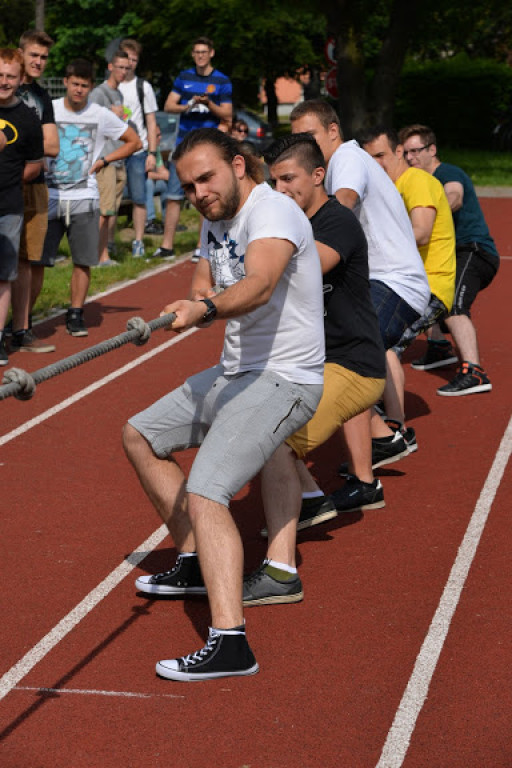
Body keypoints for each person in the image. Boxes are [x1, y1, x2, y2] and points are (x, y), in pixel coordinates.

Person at [123, 128, 324, 681]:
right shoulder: (216, 218)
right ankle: (193, 561)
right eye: (188, 186)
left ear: (238, 165)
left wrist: (205, 310)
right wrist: (178, 309)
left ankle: (231, 643)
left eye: (207, 177)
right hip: (236, 374)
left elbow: (258, 284)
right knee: (140, 434)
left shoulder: (273, 214)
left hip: (286, 379)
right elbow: (205, 278)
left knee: (209, 491)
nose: (199, 193)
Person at [239, 134, 387, 607]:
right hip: (308, 362)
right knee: (246, 417)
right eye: (273, 180)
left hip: (354, 364)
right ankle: (310, 499)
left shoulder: (335, 222)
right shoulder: (288, 218)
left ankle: (281, 571)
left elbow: (299, 270)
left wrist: (246, 264)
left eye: (289, 179)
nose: (279, 189)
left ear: (318, 177)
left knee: (272, 440)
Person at [289, 100, 430, 506]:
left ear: (333, 131)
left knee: (345, 364)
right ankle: (383, 441)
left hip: (394, 282)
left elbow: (345, 200)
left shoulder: (347, 158)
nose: (305, 144)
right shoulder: (331, 164)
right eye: (298, 138)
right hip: (379, 280)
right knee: (342, 360)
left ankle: (368, 479)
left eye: (310, 136)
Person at [360, 127, 456, 442]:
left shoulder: (417, 181)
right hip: (400, 283)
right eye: (369, 158)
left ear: (400, 151)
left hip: (428, 285)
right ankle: (383, 415)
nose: (376, 164)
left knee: (384, 342)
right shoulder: (388, 188)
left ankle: (395, 428)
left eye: (381, 155)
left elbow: (422, 232)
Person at [43, 59, 141, 336]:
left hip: (84, 197)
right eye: (74, 84)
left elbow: (135, 142)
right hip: (49, 195)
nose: (79, 90)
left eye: (84, 86)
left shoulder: (98, 114)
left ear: (90, 86)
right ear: (65, 82)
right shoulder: (49, 108)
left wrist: (105, 160)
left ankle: (75, 313)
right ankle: (24, 321)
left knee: (83, 260)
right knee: (35, 263)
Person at [400, 124, 499, 396]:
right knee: (425, 287)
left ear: (432, 150)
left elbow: (454, 195)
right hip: (451, 255)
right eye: (406, 153)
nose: (410, 158)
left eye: (416, 151)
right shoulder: (416, 182)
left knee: (454, 304)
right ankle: (439, 347)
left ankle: (475, 372)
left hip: (474, 251)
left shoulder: (447, 173)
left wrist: (436, 206)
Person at [159, 37, 232, 261]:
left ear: (211, 53)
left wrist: (209, 104)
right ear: (193, 55)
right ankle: (166, 245)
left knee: (204, 196)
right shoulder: (184, 77)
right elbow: (168, 106)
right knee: (173, 195)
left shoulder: (222, 81)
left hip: (206, 148)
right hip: (182, 144)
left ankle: (202, 245)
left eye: (204, 52)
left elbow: (227, 114)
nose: (200, 56)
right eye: (196, 52)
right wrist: (188, 105)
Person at [8, 30, 59, 355]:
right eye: (34, 55)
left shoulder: (42, 97)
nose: (39, 61)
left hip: (36, 187)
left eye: (44, 57)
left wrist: (18, 148)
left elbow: (52, 145)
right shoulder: (5, 87)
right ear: (20, 53)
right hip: (6, 185)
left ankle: (21, 329)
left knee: (28, 262)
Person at [0, 48, 44, 366]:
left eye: (10, 76)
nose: (3, 81)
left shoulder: (29, 118)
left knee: (4, 275)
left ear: (21, 78)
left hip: (8, 206)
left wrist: (12, 181)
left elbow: (35, 164)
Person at [90, 50, 131, 266]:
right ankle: (99, 256)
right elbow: (90, 120)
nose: (123, 72)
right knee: (104, 211)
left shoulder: (120, 95)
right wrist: (110, 114)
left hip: (118, 156)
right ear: (110, 67)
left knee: (112, 209)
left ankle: (104, 250)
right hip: (104, 158)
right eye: (120, 67)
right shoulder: (99, 93)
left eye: (127, 68)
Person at [118, 39, 158, 258]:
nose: (130, 63)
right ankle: (108, 244)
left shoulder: (143, 87)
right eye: (126, 59)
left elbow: (151, 122)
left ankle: (138, 240)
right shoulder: (109, 87)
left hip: (137, 151)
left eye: (134, 59)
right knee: (111, 200)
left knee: (139, 198)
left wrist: (152, 153)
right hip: (114, 151)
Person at [144, 124, 169, 237]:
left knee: (165, 185)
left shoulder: (156, 150)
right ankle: (149, 222)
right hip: (133, 187)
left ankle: (167, 221)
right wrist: (162, 175)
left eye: (160, 135)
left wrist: (170, 177)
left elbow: (162, 170)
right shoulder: (142, 150)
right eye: (157, 135)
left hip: (151, 183)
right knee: (148, 183)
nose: (160, 138)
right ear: (147, 137)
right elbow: (146, 175)